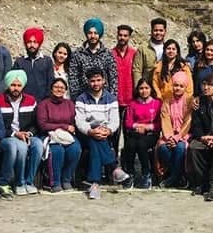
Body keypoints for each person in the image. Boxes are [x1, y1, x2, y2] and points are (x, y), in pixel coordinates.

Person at [74, 67, 130, 199]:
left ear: (104, 80)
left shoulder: (111, 98)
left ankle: (95, 184)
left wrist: (108, 130)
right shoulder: (81, 99)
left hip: (105, 133)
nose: (96, 83)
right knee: (94, 139)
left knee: (97, 141)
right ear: (88, 82)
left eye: (98, 80)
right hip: (87, 133)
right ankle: (114, 168)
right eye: (93, 81)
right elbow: (80, 121)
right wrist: (90, 131)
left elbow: (115, 120)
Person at [0, 70, 42, 196]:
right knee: (21, 147)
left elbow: (36, 123)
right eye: (13, 85)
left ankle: (29, 182)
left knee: (38, 145)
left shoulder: (31, 100)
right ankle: (19, 182)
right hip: (6, 136)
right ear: (8, 85)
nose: (16, 88)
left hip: (26, 134)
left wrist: (29, 133)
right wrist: (15, 134)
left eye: (19, 85)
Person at [37, 78, 80, 192]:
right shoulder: (44, 104)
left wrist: (69, 128)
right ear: (51, 89)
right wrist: (64, 126)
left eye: (62, 87)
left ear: (65, 90)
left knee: (75, 149)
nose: (59, 89)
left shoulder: (70, 104)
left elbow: (73, 122)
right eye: (56, 87)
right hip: (49, 135)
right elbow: (43, 125)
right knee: (57, 151)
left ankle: (66, 180)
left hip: (67, 136)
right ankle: (54, 182)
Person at [123, 78, 161, 189]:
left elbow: (159, 123)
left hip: (150, 134)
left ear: (151, 89)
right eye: (141, 88)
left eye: (146, 88)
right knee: (130, 145)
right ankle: (130, 173)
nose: (144, 91)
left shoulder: (157, 103)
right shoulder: (133, 104)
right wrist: (138, 126)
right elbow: (128, 122)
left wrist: (146, 127)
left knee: (142, 145)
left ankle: (146, 173)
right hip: (135, 133)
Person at [158, 71, 193, 188]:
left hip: (184, 135)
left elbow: (188, 121)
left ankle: (173, 178)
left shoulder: (189, 100)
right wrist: (170, 137)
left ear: (185, 87)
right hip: (168, 134)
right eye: (175, 85)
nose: (178, 88)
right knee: (163, 148)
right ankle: (178, 176)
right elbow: (165, 119)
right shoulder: (166, 100)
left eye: (181, 86)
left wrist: (178, 137)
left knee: (180, 147)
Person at [69, 18, 118, 98]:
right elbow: (73, 78)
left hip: (104, 99)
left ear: (99, 34)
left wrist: (112, 98)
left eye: (95, 33)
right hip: (84, 99)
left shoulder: (107, 54)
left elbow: (113, 78)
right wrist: (76, 99)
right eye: (90, 33)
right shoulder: (78, 54)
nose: (93, 36)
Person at [14, 27, 55, 101]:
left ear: (39, 43)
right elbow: (14, 82)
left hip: (42, 102)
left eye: (35, 42)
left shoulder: (47, 61)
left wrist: (46, 101)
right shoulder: (19, 62)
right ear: (25, 44)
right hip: (23, 102)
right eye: (29, 42)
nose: (32, 45)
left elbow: (50, 83)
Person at [111, 24, 137, 115]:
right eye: (120, 35)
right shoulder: (110, 54)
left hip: (131, 98)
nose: (122, 38)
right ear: (117, 36)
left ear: (129, 37)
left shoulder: (135, 54)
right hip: (114, 99)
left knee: (129, 123)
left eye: (125, 35)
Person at [132, 17, 167, 85]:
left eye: (161, 30)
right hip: (147, 87)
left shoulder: (169, 48)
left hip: (163, 87)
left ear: (165, 31)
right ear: (151, 31)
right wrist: (139, 88)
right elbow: (137, 71)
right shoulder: (143, 48)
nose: (158, 33)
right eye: (155, 30)